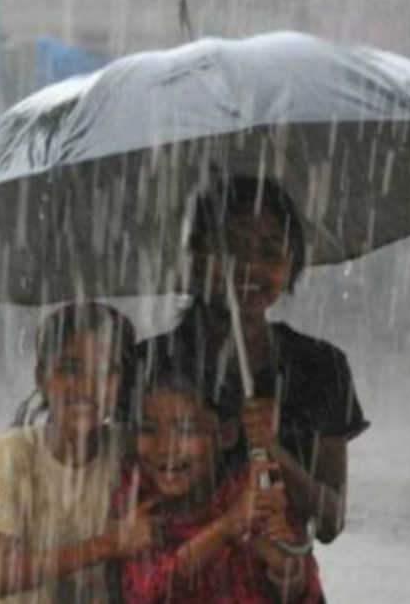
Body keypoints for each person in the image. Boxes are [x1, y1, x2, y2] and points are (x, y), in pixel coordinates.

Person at [136, 174, 369, 544]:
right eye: (232, 248)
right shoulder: (150, 364)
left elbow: (329, 523)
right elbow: (129, 504)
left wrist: (274, 452)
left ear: (292, 265)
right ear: (197, 259)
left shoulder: (322, 367)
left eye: (269, 250)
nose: (250, 267)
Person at [0, 302, 154, 604]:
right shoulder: (14, 455)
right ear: (42, 378)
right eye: (71, 369)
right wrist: (104, 546)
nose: (86, 387)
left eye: (105, 371)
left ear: (122, 383)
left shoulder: (127, 449)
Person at [116, 373, 322, 604]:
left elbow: (308, 595)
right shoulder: (134, 497)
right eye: (148, 429)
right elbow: (145, 593)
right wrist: (227, 526)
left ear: (226, 434)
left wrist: (284, 569)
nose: (165, 448)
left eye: (186, 430)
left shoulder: (256, 490)